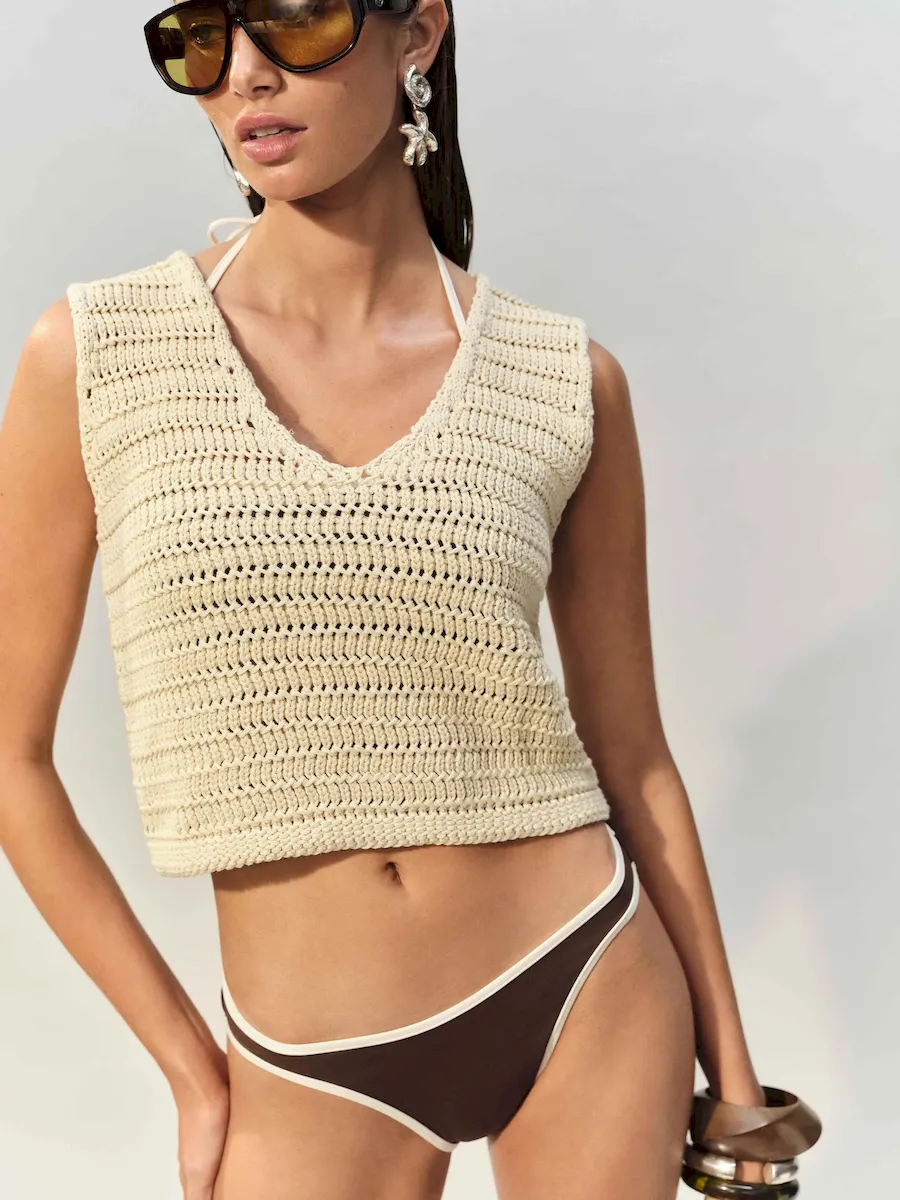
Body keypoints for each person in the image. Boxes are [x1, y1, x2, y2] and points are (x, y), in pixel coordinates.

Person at [0, 2, 780, 1198]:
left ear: (416, 35)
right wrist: (193, 1073)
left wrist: (735, 1080)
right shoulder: (100, 354)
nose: (246, 74)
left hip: (585, 975)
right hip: (306, 1055)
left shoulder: (564, 380)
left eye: (296, 20)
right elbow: (11, 755)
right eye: (202, 40)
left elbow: (634, 757)